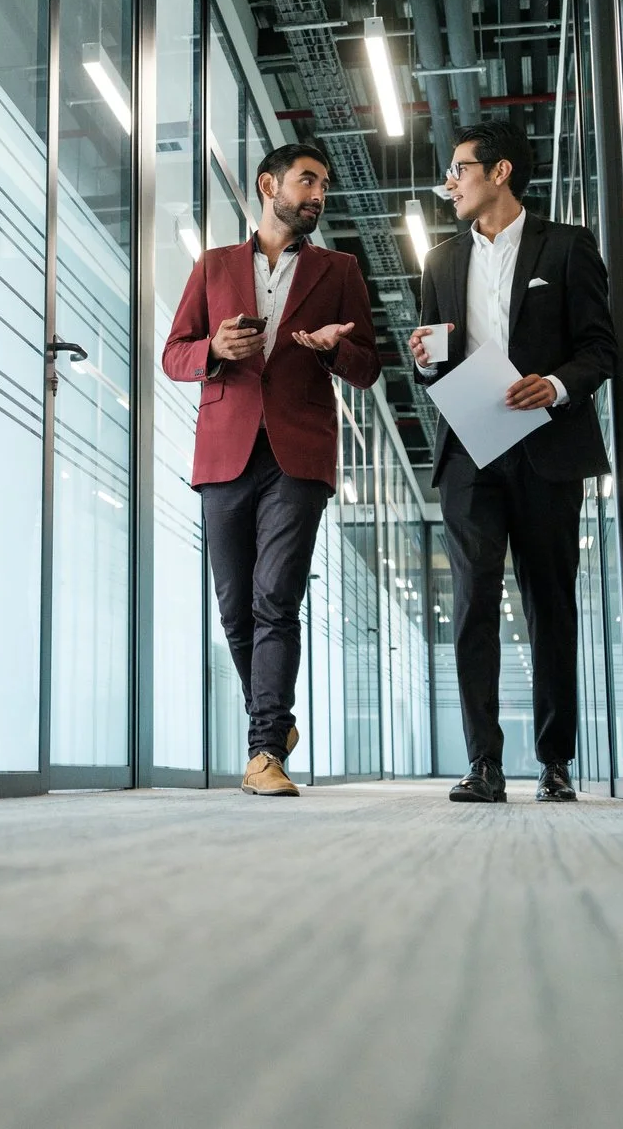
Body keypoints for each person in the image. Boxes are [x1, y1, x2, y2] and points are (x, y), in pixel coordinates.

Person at [162, 143, 379, 797]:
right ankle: (274, 717)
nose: (318, 194)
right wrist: (213, 349)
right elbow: (174, 355)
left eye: (324, 184)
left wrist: (338, 350)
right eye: (308, 180)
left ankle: (264, 751)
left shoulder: (339, 270)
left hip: (299, 450)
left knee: (275, 596)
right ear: (268, 185)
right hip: (225, 448)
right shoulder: (214, 265)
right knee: (235, 607)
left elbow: (369, 367)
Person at [410, 120, 616, 803]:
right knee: (472, 603)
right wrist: (426, 360)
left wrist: (554, 387)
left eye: (459, 170)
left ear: (499, 172)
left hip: (547, 446)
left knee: (549, 604)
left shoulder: (567, 246)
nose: (450, 185)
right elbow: (434, 364)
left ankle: (555, 762)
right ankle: (484, 765)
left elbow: (599, 349)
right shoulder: (439, 262)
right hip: (471, 449)